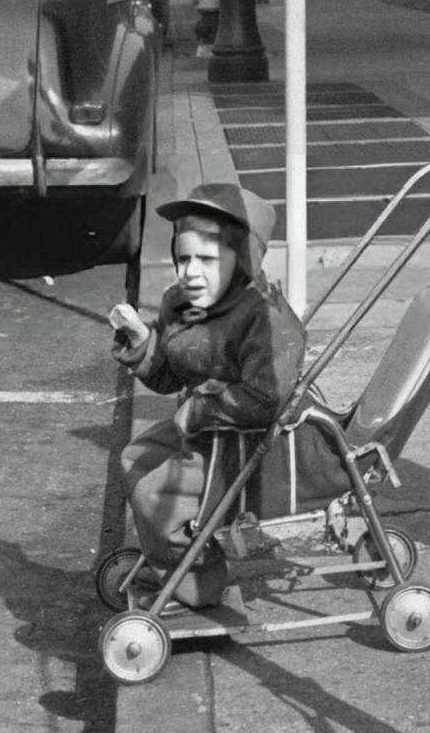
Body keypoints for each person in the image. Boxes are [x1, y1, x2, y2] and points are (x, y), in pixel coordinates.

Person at [108, 182, 305, 609]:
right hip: (207, 432)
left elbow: (266, 398)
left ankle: (196, 584)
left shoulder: (266, 320)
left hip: (249, 441)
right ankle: (167, 561)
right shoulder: (182, 305)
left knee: (155, 494)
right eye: (183, 258)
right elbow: (169, 375)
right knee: (133, 457)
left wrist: (200, 408)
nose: (190, 273)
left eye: (207, 260)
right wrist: (144, 343)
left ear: (244, 260)